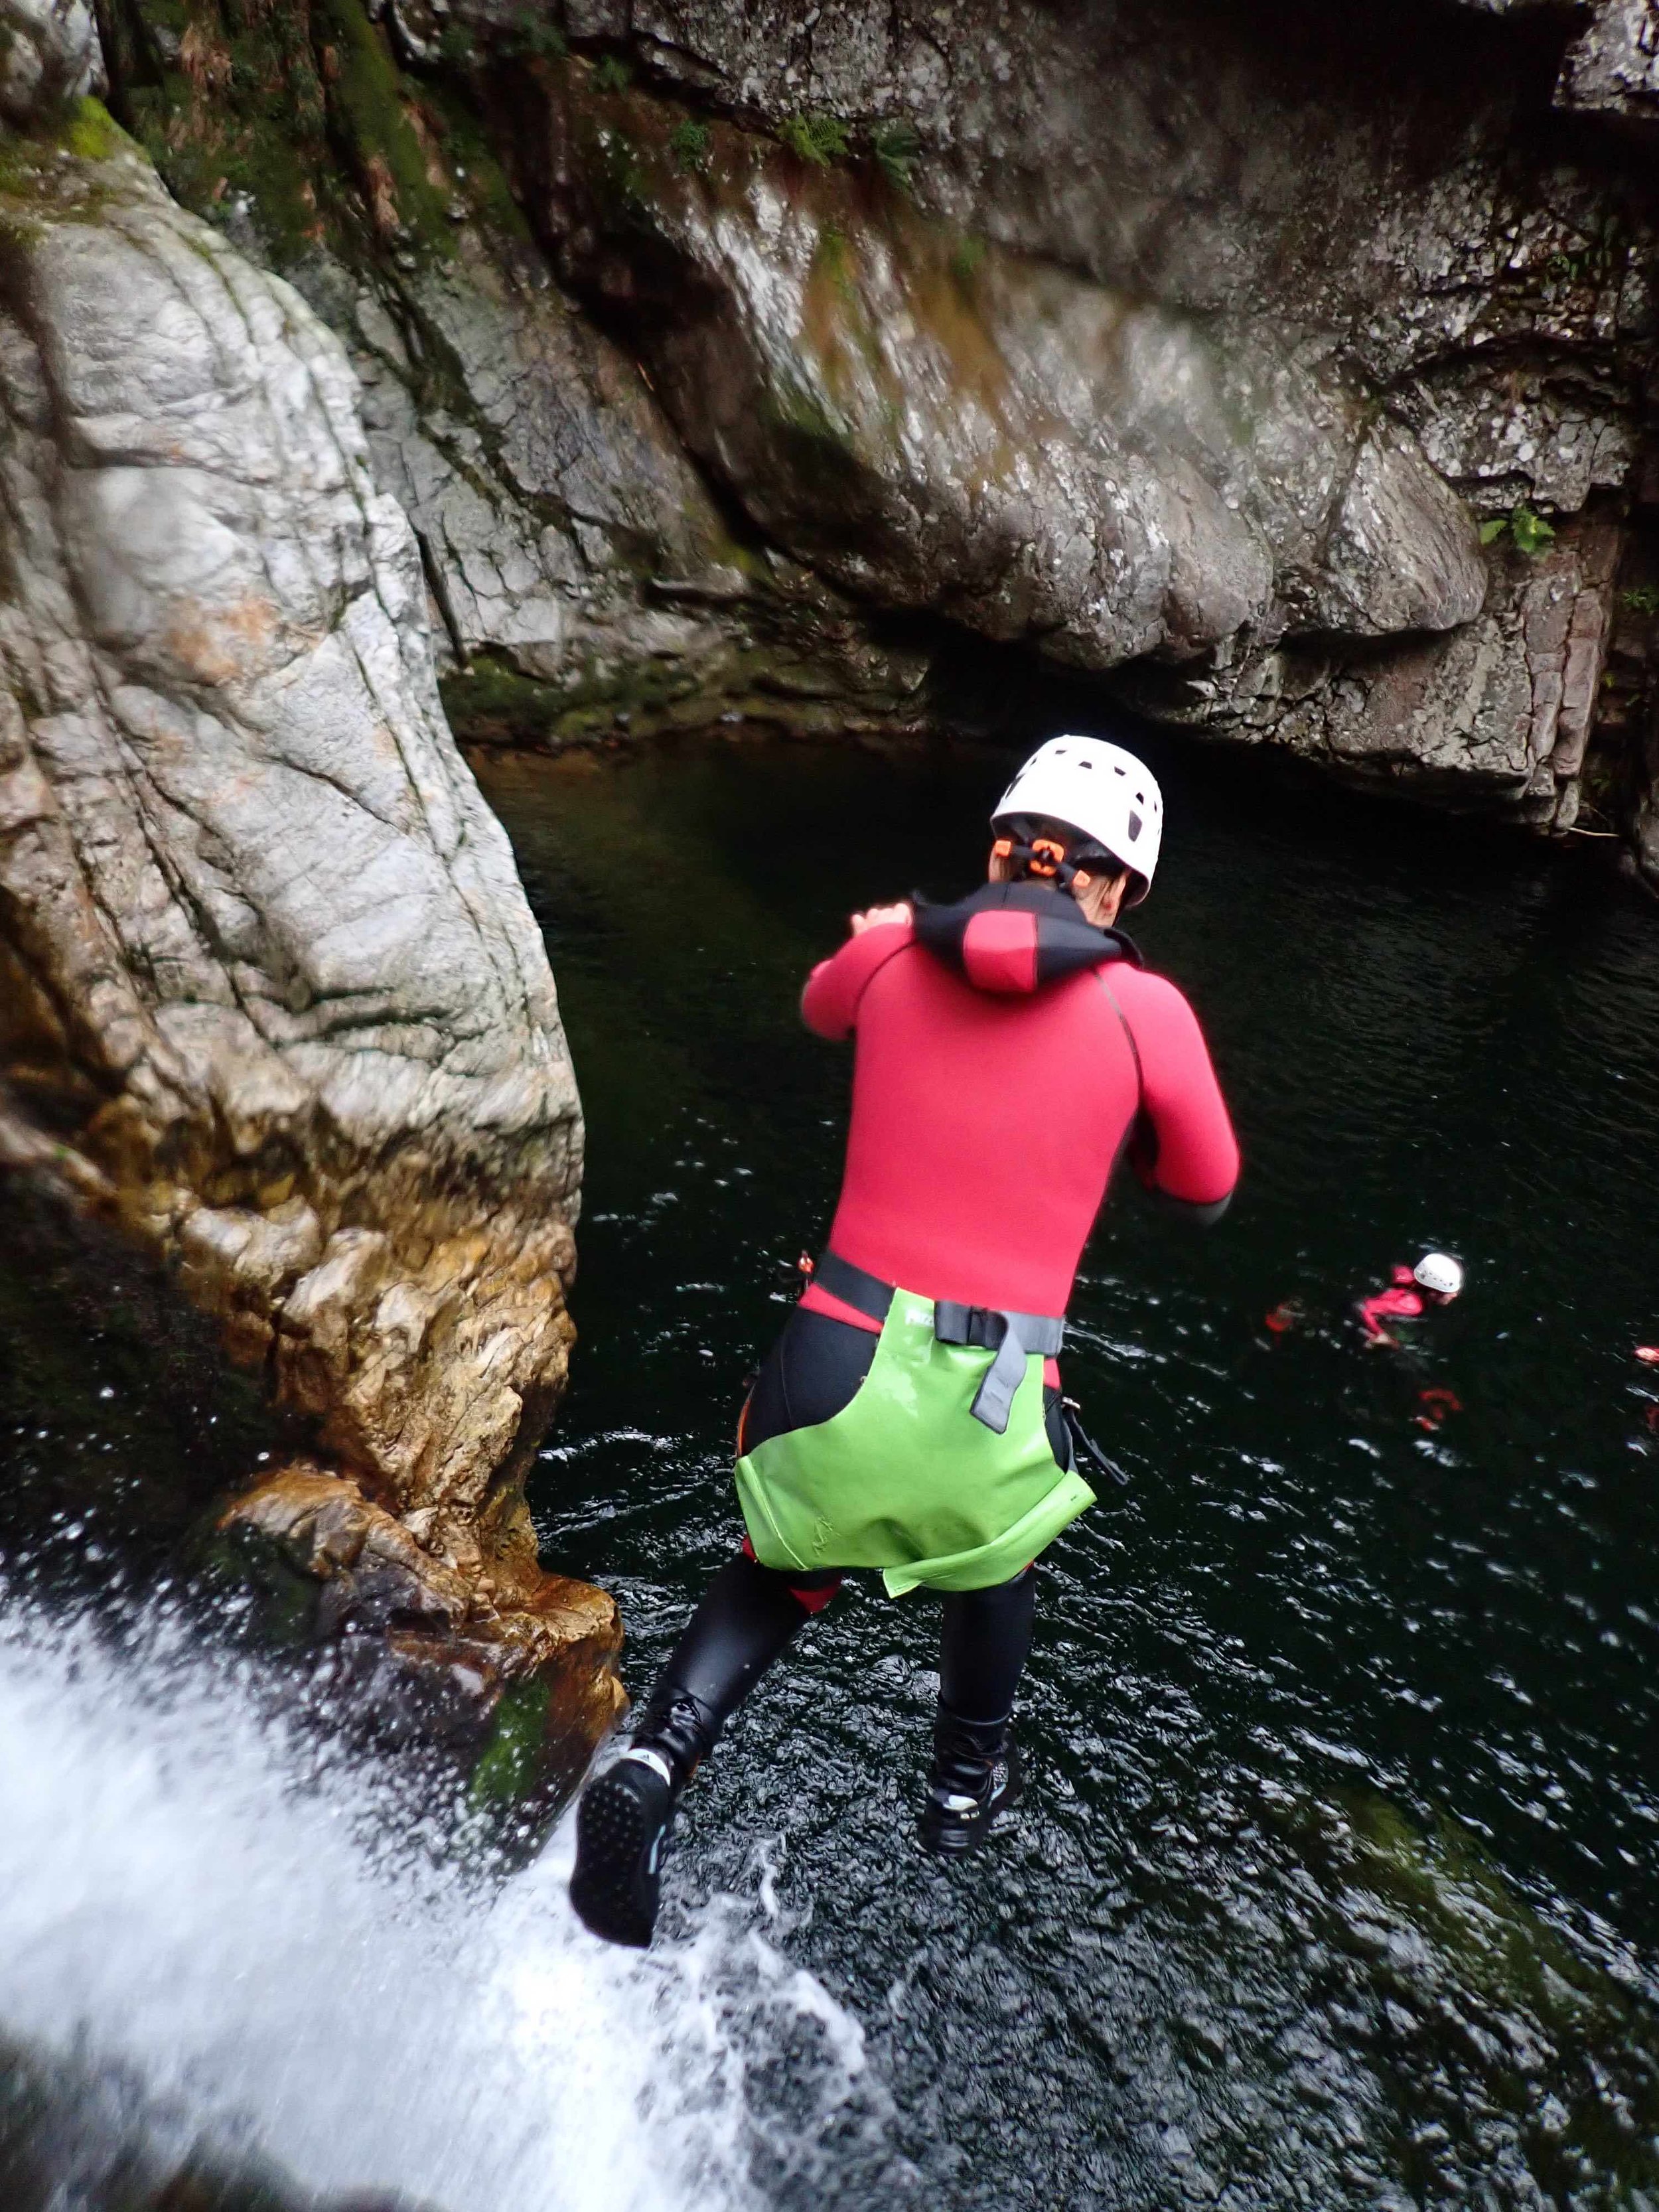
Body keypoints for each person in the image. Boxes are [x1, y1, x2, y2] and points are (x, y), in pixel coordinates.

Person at [569, 735, 1240, 1948]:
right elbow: (1208, 1185)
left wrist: (881, 930)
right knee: (999, 1552)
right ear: (1122, 888)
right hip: (988, 1391)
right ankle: (963, 1783)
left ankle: (657, 1762)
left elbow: (823, 1002)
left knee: (781, 1564)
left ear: (996, 847)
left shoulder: (887, 954)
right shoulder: (1147, 1009)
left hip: (827, 1366)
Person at [1354, 1252, 1465, 1348]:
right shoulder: (1413, 1306)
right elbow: (1363, 1307)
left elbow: (1395, 1265)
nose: (1455, 1295)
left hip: (1379, 1297)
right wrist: (1381, 1334)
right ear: (1434, 1293)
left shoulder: (1405, 1273)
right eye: (1449, 1292)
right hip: (1362, 1313)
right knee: (1399, 1345)